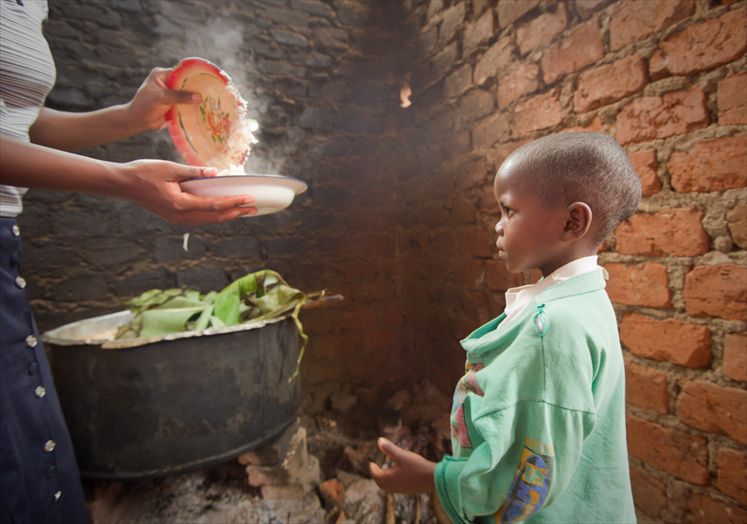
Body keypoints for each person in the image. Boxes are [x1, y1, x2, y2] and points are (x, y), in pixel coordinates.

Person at [0, 1, 255, 522]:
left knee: (36, 471)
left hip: (7, 246)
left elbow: (19, 122)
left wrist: (129, 118)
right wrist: (121, 181)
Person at [370, 132, 641, 524]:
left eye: (509, 212)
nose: (497, 226)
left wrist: (432, 476)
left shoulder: (552, 331)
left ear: (572, 221)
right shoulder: (587, 299)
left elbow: (523, 482)